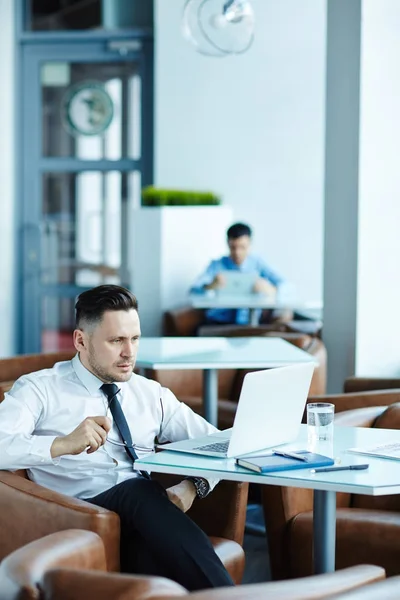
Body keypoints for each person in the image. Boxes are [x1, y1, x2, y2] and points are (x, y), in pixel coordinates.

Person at [0, 285, 234, 592]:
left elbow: (217, 442)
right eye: (116, 341)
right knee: (137, 491)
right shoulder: (40, 389)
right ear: (80, 340)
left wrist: (193, 486)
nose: (129, 352)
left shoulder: (149, 393)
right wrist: (63, 444)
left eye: (135, 338)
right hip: (75, 516)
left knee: (158, 575)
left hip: (141, 522)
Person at [191, 222, 285, 325]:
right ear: (227, 243)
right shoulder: (217, 265)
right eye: (233, 247)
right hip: (219, 321)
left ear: (250, 243)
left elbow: (287, 286)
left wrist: (271, 289)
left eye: (242, 247)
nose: (237, 252)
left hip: (251, 321)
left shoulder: (258, 263)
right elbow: (193, 291)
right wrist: (210, 286)